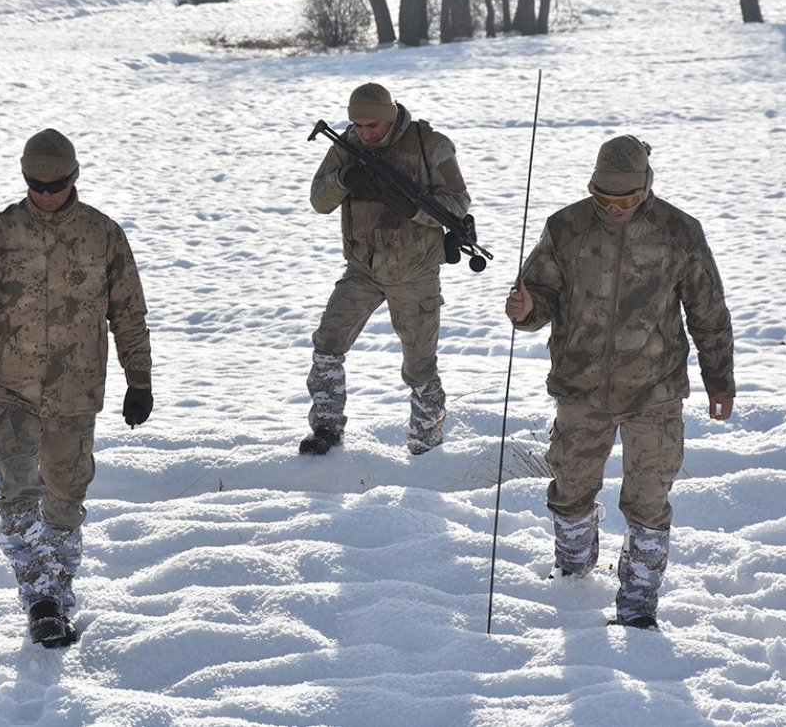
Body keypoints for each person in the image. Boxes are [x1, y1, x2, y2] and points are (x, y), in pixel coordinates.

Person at [0, 128, 153, 647]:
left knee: (66, 496)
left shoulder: (104, 235)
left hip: (76, 389)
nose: (46, 194)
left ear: (74, 178)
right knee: (19, 484)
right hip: (8, 383)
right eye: (36, 184)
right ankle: (41, 600)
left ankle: (58, 586)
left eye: (56, 185)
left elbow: (129, 314)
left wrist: (138, 379)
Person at [505, 134, 735, 629]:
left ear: (646, 188)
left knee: (649, 502)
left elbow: (708, 313)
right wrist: (526, 310)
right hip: (580, 386)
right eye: (603, 198)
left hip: (655, 391)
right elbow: (539, 295)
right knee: (569, 489)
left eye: (626, 199)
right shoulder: (565, 228)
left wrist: (720, 381)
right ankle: (573, 578)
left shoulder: (679, 232)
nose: (614, 208)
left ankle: (637, 608)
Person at [302, 83, 471, 456]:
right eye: (357, 125)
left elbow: (457, 203)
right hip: (362, 267)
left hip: (416, 272)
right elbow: (318, 199)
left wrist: (413, 208)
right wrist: (344, 180)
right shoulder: (346, 146)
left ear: (391, 116)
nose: (364, 133)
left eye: (372, 126)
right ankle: (326, 430)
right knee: (328, 343)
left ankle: (427, 445)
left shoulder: (430, 145)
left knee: (419, 365)